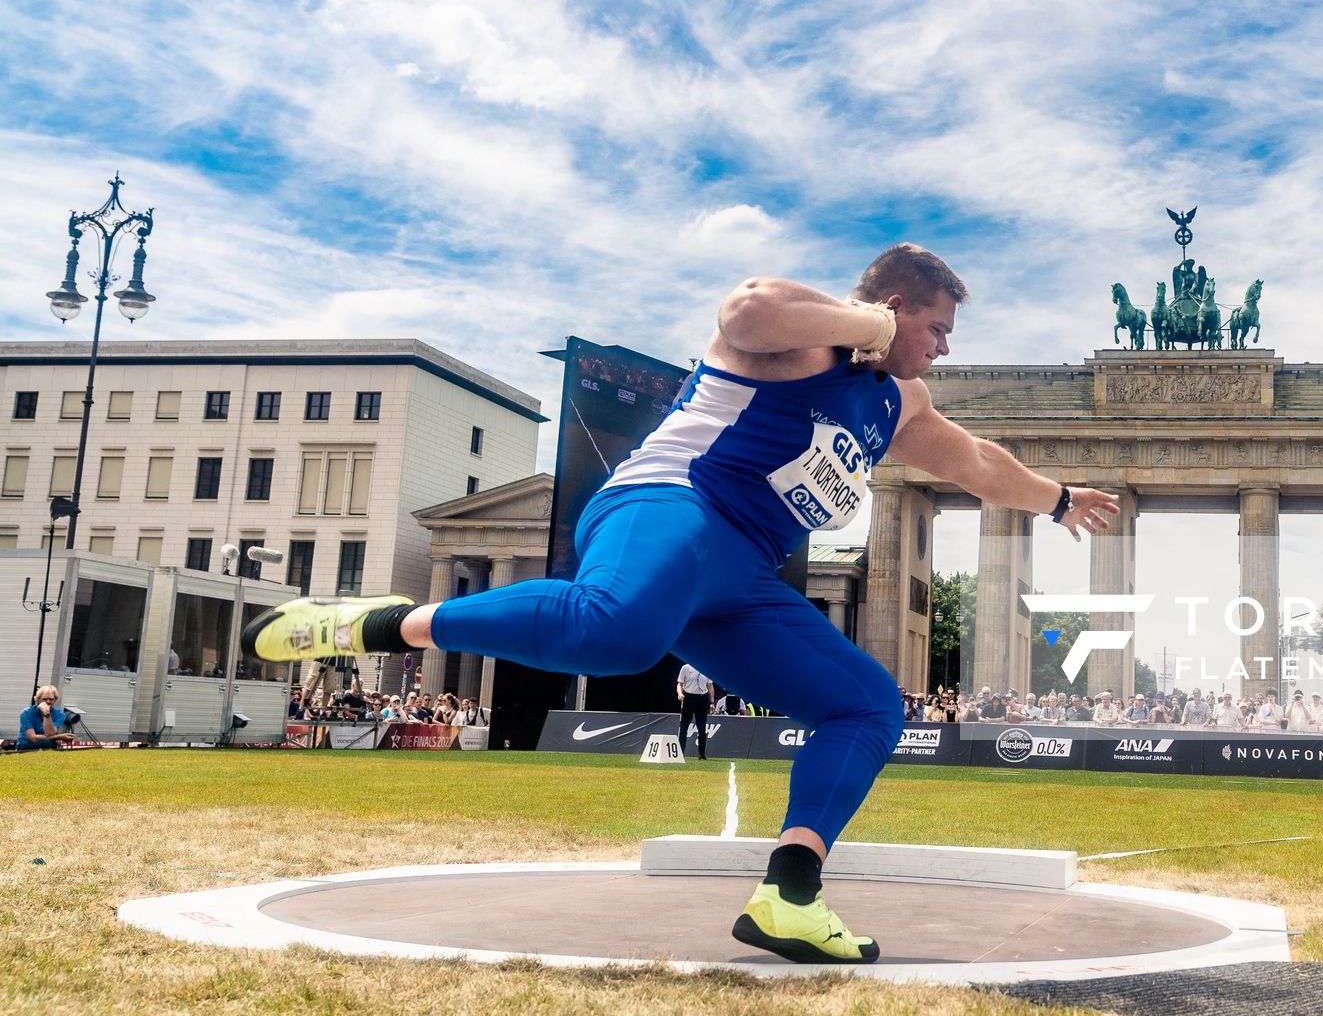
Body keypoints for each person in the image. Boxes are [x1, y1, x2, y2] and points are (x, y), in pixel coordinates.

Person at [243, 245, 1118, 964]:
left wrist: (1055, 496)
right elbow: (745, 308)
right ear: (895, 306)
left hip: (741, 576)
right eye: (936, 327)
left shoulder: (898, 404)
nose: (943, 346)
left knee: (866, 704)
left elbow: (977, 463)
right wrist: (873, 327)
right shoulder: (807, 343)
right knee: (616, 634)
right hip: (670, 508)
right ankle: (378, 622)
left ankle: (791, 895)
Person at [17, 685, 76, 750]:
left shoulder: (60, 715)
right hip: (26, 745)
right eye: (44, 699)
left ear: (55, 700)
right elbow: (33, 738)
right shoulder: (26, 713)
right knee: (47, 743)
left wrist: (46, 714)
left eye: (51, 699)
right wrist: (59, 737)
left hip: (47, 744)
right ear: (38, 699)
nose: (48, 701)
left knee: (48, 743)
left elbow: (49, 733)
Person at [677, 661, 713, 760]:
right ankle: (680, 753)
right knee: (684, 727)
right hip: (689, 698)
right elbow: (680, 684)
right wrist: (680, 693)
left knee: (702, 728)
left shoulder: (707, 668)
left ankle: (702, 754)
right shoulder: (686, 667)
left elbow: (710, 686)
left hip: (702, 698)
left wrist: (712, 702)